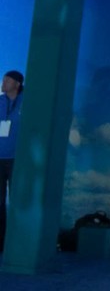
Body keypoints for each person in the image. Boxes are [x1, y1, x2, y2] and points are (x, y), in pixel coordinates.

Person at [0, 70, 24, 254]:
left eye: (7, 80)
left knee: (19, 200)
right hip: (0, 158)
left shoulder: (28, 101)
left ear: (17, 84)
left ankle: (18, 242)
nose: (3, 82)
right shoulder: (0, 102)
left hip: (19, 159)